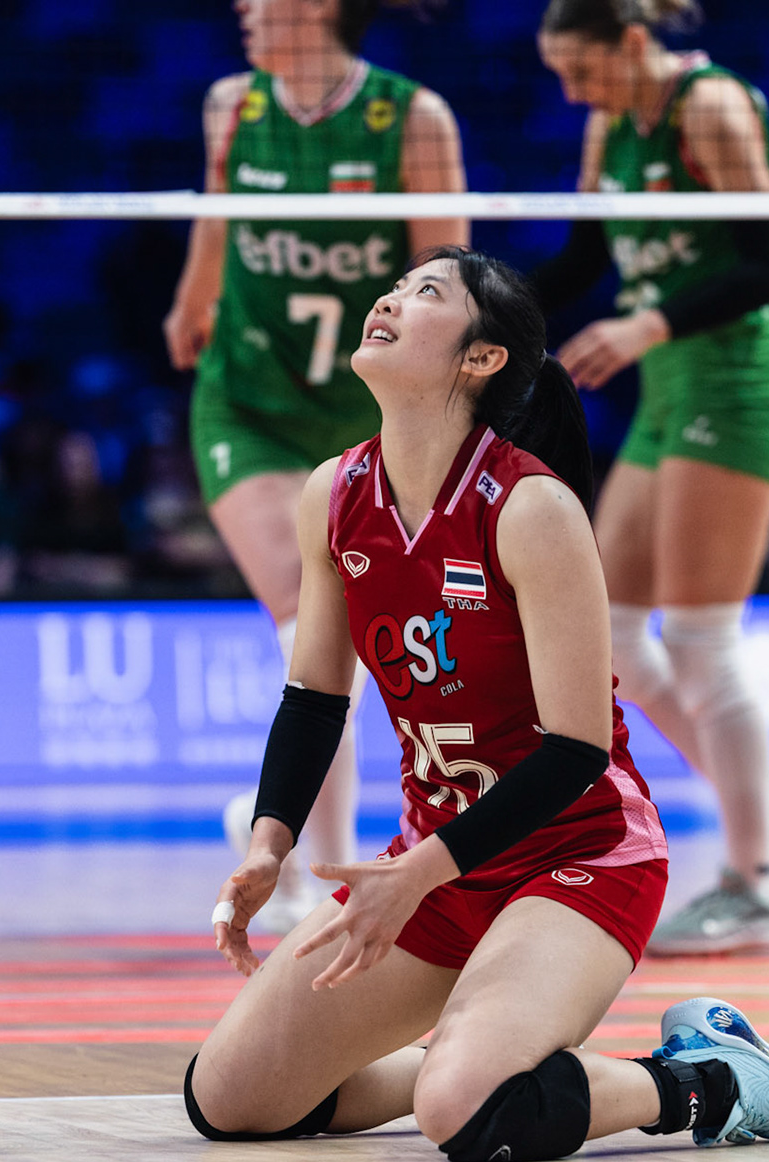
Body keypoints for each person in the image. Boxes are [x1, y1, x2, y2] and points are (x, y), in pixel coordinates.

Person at [187, 246, 769, 1162]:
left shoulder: (532, 507)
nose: (389, 298)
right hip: (439, 865)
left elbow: (575, 754)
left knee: (468, 1112)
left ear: (480, 359)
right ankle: (470, 1053)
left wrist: (420, 873)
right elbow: (314, 697)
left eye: (426, 293)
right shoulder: (333, 492)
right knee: (230, 1098)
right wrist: (267, 846)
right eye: (398, 286)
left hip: (579, 857)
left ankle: (711, 1080)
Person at [531, 0, 769, 957]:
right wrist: (480, 315)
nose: (571, 92)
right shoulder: (607, 124)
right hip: (670, 390)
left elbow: (766, 267)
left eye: (581, 71)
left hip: (737, 381)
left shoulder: (708, 107)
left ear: (631, 44)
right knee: (614, 634)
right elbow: (586, 257)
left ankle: (754, 890)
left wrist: (646, 325)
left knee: (703, 640)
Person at [164, 0, 468, 929]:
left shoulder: (410, 119)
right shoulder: (231, 106)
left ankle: (286, 841)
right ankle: (306, 867)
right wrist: (191, 300)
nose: (245, 12)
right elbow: (216, 221)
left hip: (361, 407)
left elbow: (447, 276)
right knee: (306, 607)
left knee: (338, 618)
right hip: (248, 400)